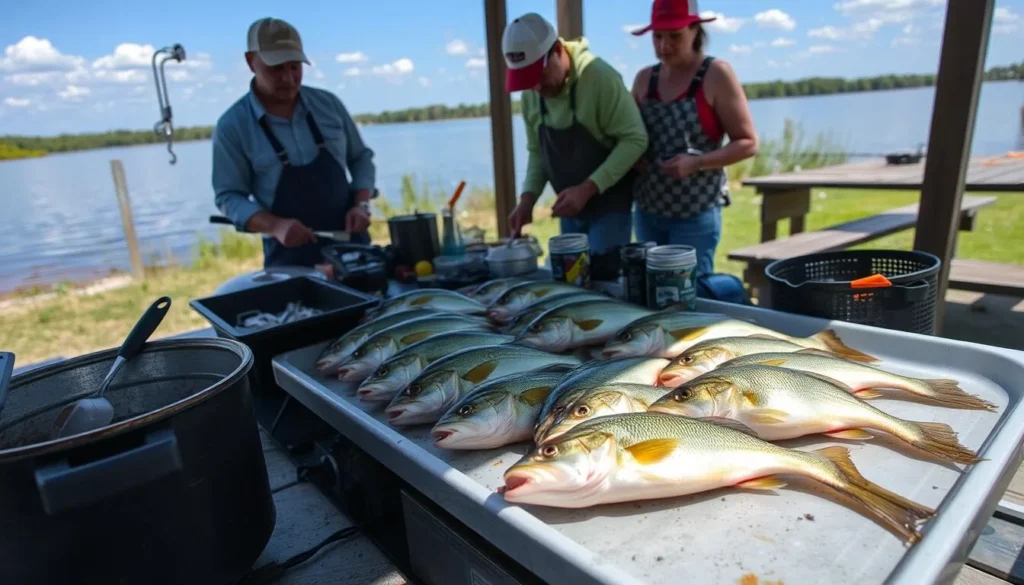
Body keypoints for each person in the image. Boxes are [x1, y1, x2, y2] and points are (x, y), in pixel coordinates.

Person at [212, 17, 376, 269]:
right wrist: (274, 225)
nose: (288, 78)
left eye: (295, 67)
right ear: (250, 62)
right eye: (276, 68)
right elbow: (229, 196)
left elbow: (360, 158)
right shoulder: (233, 126)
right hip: (288, 261)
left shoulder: (329, 105)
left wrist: (361, 205)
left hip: (353, 250)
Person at [630, 0, 758, 277]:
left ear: (695, 31)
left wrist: (697, 162)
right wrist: (633, 156)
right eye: (657, 36)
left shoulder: (715, 74)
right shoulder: (643, 80)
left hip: (695, 215)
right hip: (647, 211)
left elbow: (747, 143)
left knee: (691, 295)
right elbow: (629, 139)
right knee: (650, 291)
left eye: (674, 36)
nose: (664, 46)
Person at [503, 13, 649, 256]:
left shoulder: (600, 78)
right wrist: (527, 200)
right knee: (571, 279)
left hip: (610, 207)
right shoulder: (532, 94)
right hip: (570, 211)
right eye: (527, 80)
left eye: (538, 75)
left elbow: (635, 139)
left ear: (558, 50)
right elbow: (537, 152)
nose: (536, 87)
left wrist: (587, 189)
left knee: (603, 279)